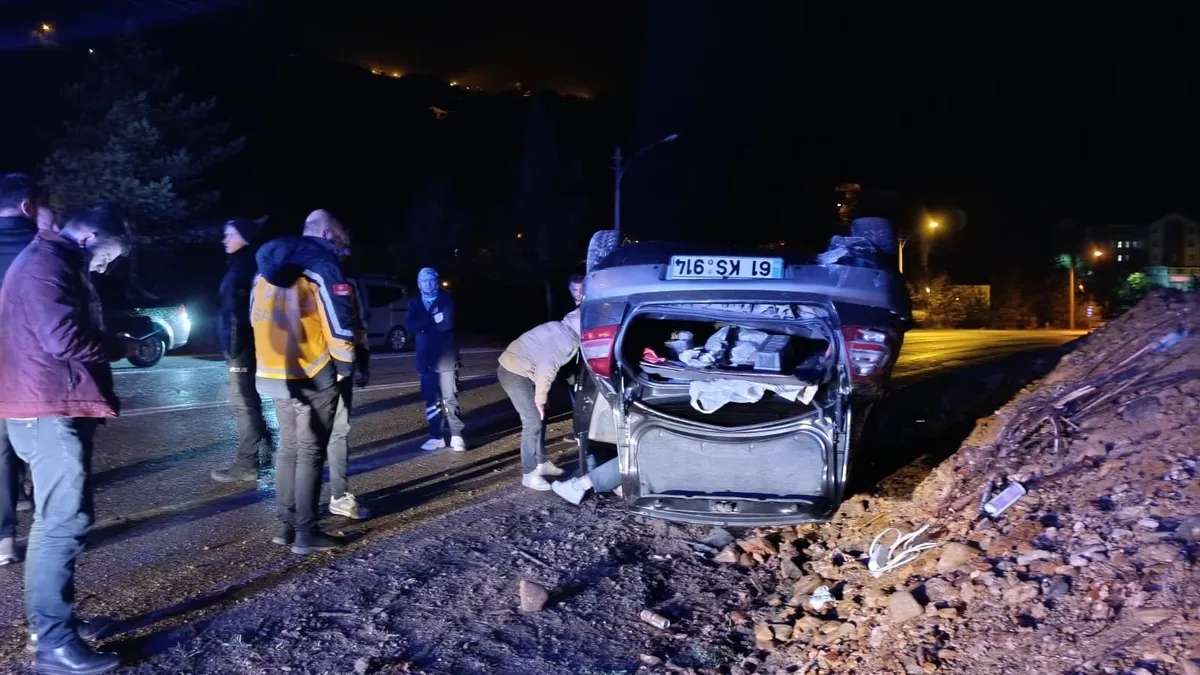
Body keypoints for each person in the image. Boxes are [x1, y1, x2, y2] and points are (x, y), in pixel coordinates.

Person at [0, 205, 137, 675]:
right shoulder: (46, 265)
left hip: (48, 403)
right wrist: (119, 344)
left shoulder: (50, 261)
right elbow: (63, 340)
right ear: (91, 236)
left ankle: (56, 625)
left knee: (59, 518)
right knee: (62, 522)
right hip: (48, 407)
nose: (105, 266)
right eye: (107, 255)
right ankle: (53, 644)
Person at [252, 209, 357, 554]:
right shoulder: (321, 264)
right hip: (313, 374)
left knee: (289, 450)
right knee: (311, 453)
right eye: (340, 235)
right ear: (326, 234)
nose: (342, 243)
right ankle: (305, 534)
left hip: (274, 372)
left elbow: (256, 316)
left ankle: (285, 526)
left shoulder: (265, 268)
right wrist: (344, 364)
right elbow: (339, 319)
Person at [0, 173, 42, 565]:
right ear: (28, 207)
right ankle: (46, 520)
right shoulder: (41, 248)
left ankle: (4, 540)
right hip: (35, 372)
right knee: (42, 445)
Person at [211, 217, 273, 483]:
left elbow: (237, 315)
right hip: (248, 344)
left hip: (242, 346)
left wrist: (232, 350)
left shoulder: (243, 270)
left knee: (243, 403)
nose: (224, 239)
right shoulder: (249, 265)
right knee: (248, 401)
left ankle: (247, 463)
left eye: (230, 234)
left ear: (245, 238)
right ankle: (268, 447)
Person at [496, 309, 581, 491]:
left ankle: (541, 462)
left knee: (541, 416)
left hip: (525, 371)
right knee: (533, 420)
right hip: (513, 372)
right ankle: (529, 473)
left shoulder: (561, 328)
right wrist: (540, 399)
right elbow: (547, 369)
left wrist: (541, 399)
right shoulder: (567, 339)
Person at [326, 239, 370, 520]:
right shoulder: (337, 281)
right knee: (332, 433)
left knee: (312, 437)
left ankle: (298, 507)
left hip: (322, 370)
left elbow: (358, 326)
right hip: (329, 369)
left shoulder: (348, 282)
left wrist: (363, 364)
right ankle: (336, 497)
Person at [405, 267, 464, 452]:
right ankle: (436, 436)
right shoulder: (414, 302)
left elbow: (447, 323)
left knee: (450, 396)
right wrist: (431, 321)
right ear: (419, 283)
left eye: (431, 280)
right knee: (431, 398)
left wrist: (423, 325)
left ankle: (456, 435)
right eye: (424, 281)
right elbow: (409, 325)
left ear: (436, 281)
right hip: (426, 358)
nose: (428, 284)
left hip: (446, 356)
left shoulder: (447, 298)